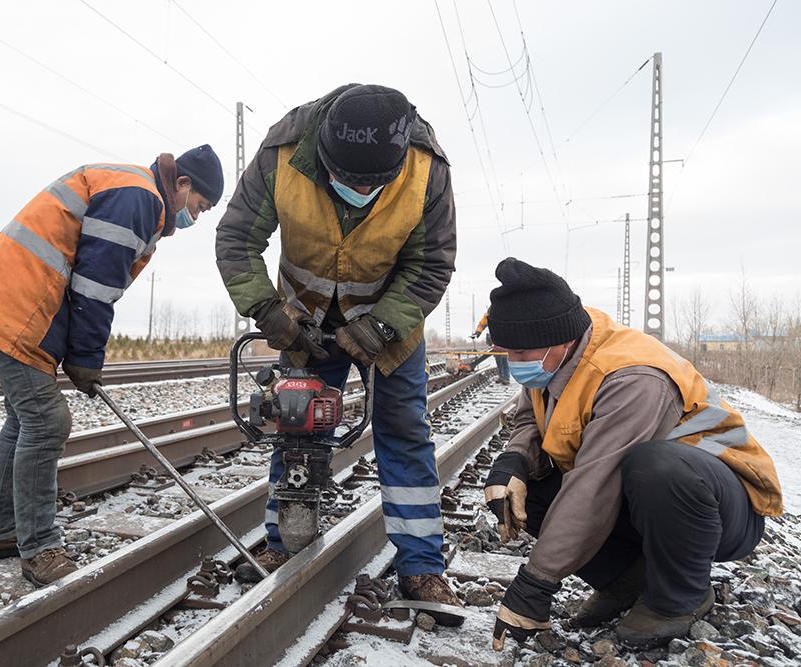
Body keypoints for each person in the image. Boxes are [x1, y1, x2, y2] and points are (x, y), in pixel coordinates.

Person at [215, 83, 462, 625]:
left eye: (369, 185)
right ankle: (285, 539)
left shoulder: (426, 169)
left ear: (394, 168)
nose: (356, 190)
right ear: (323, 155)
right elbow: (237, 238)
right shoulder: (282, 152)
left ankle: (421, 565)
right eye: (345, 180)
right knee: (298, 425)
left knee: (403, 432)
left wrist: (380, 327)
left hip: (389, 329)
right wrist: (269, 311)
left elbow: (431, 264)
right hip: (303, 322)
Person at [0, 146, 224, 587]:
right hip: (17, 306)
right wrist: (85, 358)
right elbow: (95, 286)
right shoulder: (140, 196)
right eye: (200, 206)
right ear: (183, 184)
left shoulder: (134, 190)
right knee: (47, 421)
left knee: (24, 419)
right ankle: (40, 549)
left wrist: (79, 354)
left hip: (8, 301)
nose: (196, 217)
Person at [482, 258, 782, 649]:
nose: (517, 365)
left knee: (655, 467)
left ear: (561, 339)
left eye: (523, 354)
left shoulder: (632, 376)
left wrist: (535, 584)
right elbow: (531, 420)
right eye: (509, 354)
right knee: (518, 490)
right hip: (647, 502)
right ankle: (628, 580)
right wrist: (515, 461)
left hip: (720, 506)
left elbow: (595, 484)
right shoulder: (555, 353)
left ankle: (680, 597)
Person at [471, 308, 510, 383]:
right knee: (498, 358)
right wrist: (477, 332)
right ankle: (501, 377)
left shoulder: (505, 314)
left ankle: (506, 378)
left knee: (504, 358)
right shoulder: (487, 315)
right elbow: (481, 325)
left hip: (504, 339)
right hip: (493, 339)